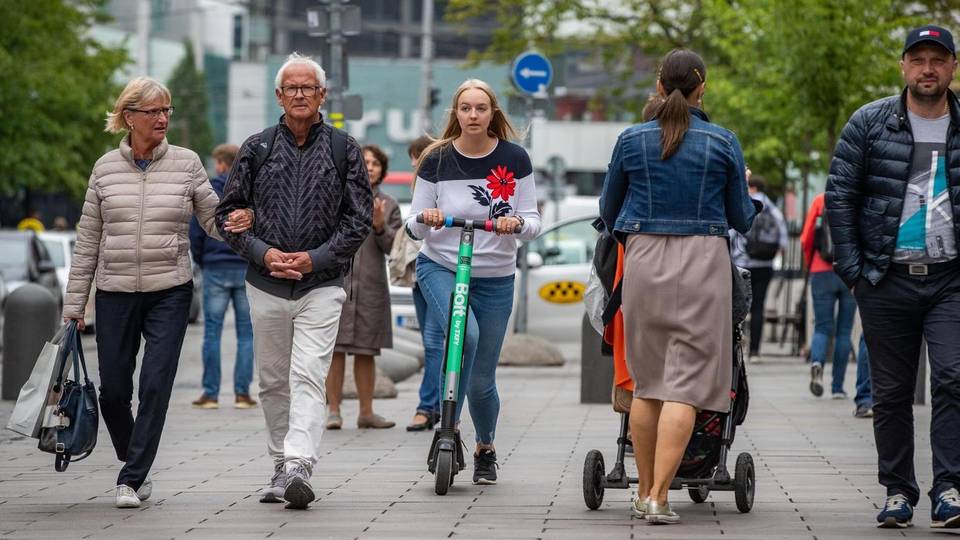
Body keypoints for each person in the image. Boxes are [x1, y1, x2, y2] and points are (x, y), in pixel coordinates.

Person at [61, 77, 250, 509]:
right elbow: (88, 239)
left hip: (170, 289)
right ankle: (136, 459)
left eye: (168, 110)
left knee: (155, 384)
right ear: (130, 117)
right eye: (154, 111)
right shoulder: (105, 168)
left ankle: (130, 477)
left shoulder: (186, 163)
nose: (163, 118)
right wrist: (75, 305)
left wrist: (240, 227)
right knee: (112, 392)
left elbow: (211, 219)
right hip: (115, 290)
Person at [599, 49, 758, 525]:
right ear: (701, 87)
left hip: (644, 260)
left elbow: (609, 212)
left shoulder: (630, 140)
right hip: (702, 262)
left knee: (647, 383)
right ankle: (660, 498)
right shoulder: (723, 142)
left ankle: (644, 489)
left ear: (660, 85)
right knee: (684, 386)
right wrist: (744, 188)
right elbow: (742, 219)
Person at [215, 53, 372, 510]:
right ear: (279, 95)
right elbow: (228, 216)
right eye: (292, 88)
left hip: (321, 285)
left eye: (309, 88)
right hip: (264, 284)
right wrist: (264, 252)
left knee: (308, 374)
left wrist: (313, 259)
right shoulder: (257, 147)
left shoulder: (345, 149)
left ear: (323, 95)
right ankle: (280, 462)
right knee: (270, 381)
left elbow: (358, 219)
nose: (300, 95)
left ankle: (300, 462)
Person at [826, 25, 960, 529]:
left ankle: (949, 488)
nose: (928, 69)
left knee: (953, 377)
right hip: (887, 278)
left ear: (952, 66)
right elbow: (839, 196)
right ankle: (898, 492)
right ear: (903, 66)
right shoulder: (869, 122)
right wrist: (855, 272)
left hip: (952, 279)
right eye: (918, 59)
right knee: (891, 392)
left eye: (938, 59)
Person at [405, 78, 542, 484]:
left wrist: (514, 222)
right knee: (468, 336)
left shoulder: (515, 159)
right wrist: (426, 218)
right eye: (465, 108)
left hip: (496, 276)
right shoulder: (437, 159)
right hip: (443, 264)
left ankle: (486, 446)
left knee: (483, 380)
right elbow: (412, 225)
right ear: (456, 113)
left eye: (481, 108)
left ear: (493, 113)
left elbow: (533, 221)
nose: (473, 115)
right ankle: (448, 426)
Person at [325, 144, 402, 430]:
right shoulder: (336, 198)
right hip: (337, 281)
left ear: (382, 170)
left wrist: (380, 226)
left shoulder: (389, 204)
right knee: (335, 348)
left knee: (367, 350)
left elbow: (396, 248)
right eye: (364, 161)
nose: (369, 167)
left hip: (371, 285)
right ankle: (333, 411)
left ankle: (366, 412)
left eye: (375, 163)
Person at [189, 144, 257, 410]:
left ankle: (210, 394)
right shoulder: (249, 191)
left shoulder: (209, 191)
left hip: (215, 267)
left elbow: (196, 231)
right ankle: (242, 394)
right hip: (244, 266)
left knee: (212, 333)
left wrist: (203, 259)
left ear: (220, 164)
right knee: (246, 334)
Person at [404, 134, 446, 432]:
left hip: (440, 269)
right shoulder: (418, 186)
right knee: (431, 341)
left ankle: (428, 406)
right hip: (420, 273)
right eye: (416, 157)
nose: (418, 162)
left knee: (434, 340)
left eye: (422, 156)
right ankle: (439, 402)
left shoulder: (442, 183)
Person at [800, 192, 856, 399]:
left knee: (822, 326)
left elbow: (806, 238)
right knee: (844, 331)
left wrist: (810, 264)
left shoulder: (819, 200)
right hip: (848, 272)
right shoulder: (855, 197)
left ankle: (817, 363)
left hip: (820, 270)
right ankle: (838, 388)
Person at [730, 175, 788, 360]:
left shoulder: (745, 205)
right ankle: (755, 351)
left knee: (737, 306)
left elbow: (732, 233)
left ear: (751, 187)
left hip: (742, 264)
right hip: (765, 264)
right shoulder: (772, 209)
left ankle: (735, 345)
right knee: (758, 307)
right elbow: (783, 235)